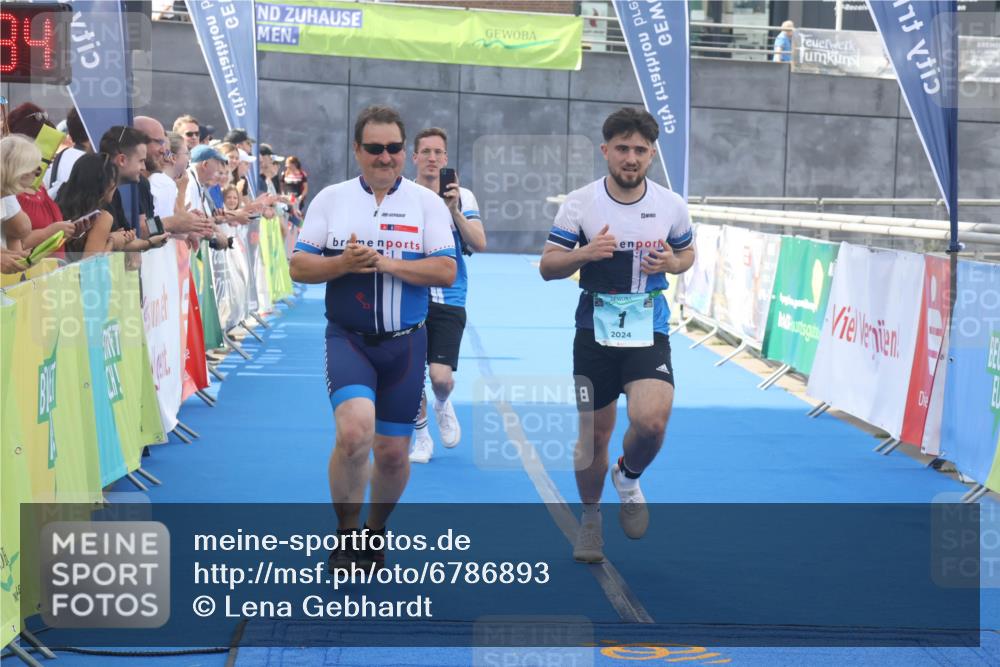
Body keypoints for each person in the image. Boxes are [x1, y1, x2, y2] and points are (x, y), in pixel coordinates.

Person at [288, 105, 456, 572]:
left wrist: (386, 264)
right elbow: (299, 266)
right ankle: (346, 533)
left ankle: (375, 531)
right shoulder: (332, 199)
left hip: (405, 344)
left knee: (392, 453)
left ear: (404, 152)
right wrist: (342, 264)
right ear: (357, 150)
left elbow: (446, 268)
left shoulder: (427, 204)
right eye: (375, 149)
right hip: (350, 340)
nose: (385, 157)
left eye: (394, 148)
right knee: (355, 433)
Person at [539, 107, 695, 564]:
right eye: (622, 148)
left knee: (650, 423)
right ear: (606, 150)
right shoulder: (581, 203)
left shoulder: (671, 205)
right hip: (595, 331)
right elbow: (549, 266)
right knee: (594, 437)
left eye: (640, 150)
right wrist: (585, 252)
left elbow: (687, 254)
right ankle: (591, 519)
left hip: (649, 327)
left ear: (651, 155)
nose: (631, 158)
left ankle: (627, 478)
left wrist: (672, 264)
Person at [407, 127, 487, 464]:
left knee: (440, 377)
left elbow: (479, 243)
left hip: (450, 295)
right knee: (409, 374)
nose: (432, 158)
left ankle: (441, 402)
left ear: (446, 158)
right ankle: (422, 437)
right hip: (408, 293)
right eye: (425, 152)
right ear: (414, 157)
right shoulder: (401, 194)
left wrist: (452, 209)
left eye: (438, 153)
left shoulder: (463, 195)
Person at [56, 153, 136, 258]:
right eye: (114, 180)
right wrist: (112, 242)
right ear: (105, 184)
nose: (115, 185)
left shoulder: (56, 207)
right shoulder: (102, 218)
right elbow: (92, 267)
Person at [0, 134, 40, 251]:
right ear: (22, 172)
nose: (36, 176)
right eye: (37, 170)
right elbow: (22, 228)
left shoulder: (3, 197)